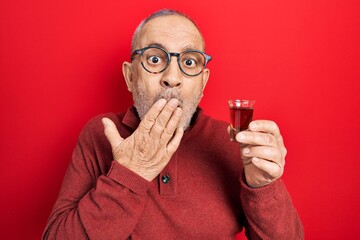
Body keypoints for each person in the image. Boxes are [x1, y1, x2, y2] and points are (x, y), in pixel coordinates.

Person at [43, 9, 304, 239]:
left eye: (189, 62)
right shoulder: (99, 134)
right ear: (130, 76)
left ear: (203, 82)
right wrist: (130, 173)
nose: (172, 78)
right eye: (155, 59)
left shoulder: (233, 144)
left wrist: (263, 187)